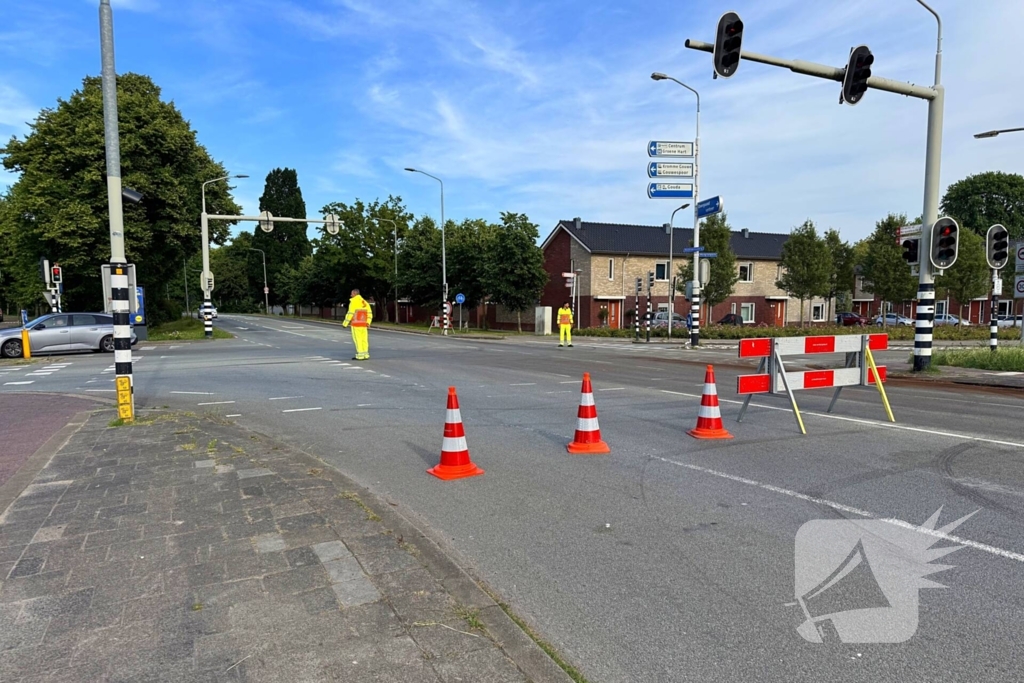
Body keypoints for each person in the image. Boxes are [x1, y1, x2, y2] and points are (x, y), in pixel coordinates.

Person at [342, 289, 373, 360]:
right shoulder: (365, 302)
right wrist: (368, 322)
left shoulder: (353, 302)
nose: (351, 295)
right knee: (364, 339)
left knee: (358, 339)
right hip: (364, 324)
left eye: (351, 294)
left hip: (356, 324)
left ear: (355, 294)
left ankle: (360, 355)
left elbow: (350, 313)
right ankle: (366, 354)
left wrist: (345, 323)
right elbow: (369, 314)